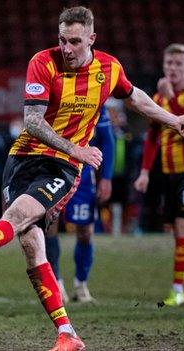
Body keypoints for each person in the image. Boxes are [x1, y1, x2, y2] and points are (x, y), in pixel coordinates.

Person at [0, 7, 184, 351]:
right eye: (62, 40)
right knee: (30, 243)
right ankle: (68, 334)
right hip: (23, 159)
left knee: (17, 217)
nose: (67, 48)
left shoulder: (108, 67)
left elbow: (135, 98)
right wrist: (79, 148)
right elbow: (32, 121)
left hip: (62, 167)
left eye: (74, 41)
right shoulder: (43, 62)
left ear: (91, 38)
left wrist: (172, 119)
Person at [133, 43, 184, 307]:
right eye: (169, 64)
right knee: (180, 232)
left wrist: (171, 98)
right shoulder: (158, 98)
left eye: (179, 64)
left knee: (182, 228)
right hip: (168, 171)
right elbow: (152, 137)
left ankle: (178, 289)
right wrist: (144, 171)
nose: (173, 68)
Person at [45, 105, 115, 303]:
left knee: (85, 232)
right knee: (50, 226)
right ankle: (56, 282)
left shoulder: (97, 98)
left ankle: (81, 284)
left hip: (82, 175)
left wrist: (106, 178)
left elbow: (107, 140)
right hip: (52, 170)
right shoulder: (56, 94)